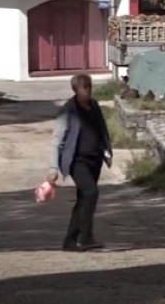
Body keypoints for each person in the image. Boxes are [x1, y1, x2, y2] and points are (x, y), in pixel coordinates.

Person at [47, 74, 113, 252]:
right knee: (91, 193)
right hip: (77, 161)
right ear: (75, 90)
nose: (88, 90)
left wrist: (107, 150)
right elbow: (56, 140)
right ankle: (83, 238)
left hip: (95, 158)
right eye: (85, 87)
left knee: (84, 199)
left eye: (90, 86)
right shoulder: (68, 110)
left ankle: (72, 240)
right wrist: (53, 168)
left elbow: (102, 129)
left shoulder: (94, 105)